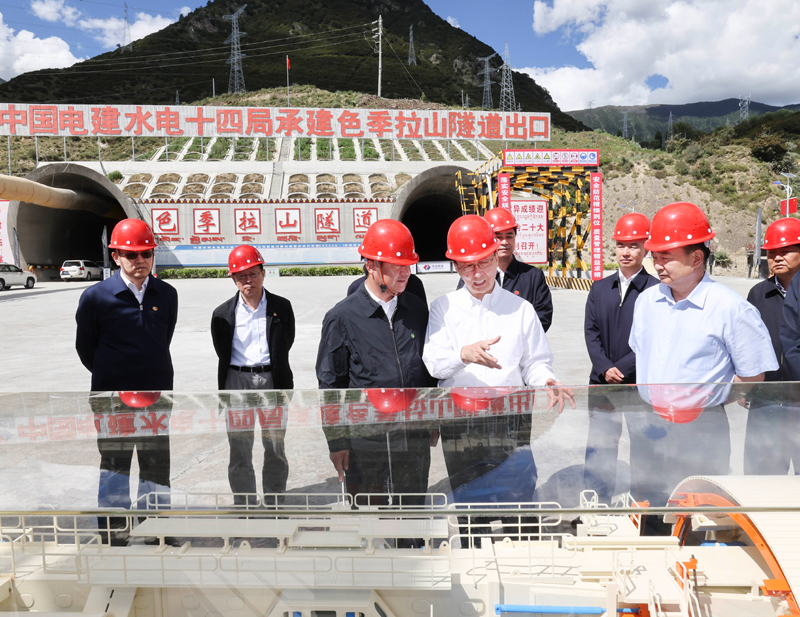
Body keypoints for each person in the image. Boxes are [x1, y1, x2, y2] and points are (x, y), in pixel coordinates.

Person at [628, 202, 777, 528]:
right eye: (655, 256)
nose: (657, 265)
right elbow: (641, 352)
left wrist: (703, 399)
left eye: (666, 256)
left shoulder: (730, 309)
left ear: (696, 258)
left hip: (701, 430)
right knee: (650, 513)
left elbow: (752, 374)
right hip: (649, 425)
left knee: (698, 520)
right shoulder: (647, 302)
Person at [423, 215, 572, 518]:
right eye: (467, 266)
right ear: (456, 267)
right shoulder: (444, 308)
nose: (477, 274)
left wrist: (546, 380)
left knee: (516, 496)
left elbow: (535, 362)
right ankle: (473, 543)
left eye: (484, 262)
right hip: (461, 420)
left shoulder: (521, 309)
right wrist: (463, 354)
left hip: (511, 417)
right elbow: (434, 365)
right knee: (468, 501)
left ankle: (516, 543)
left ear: (495, 256)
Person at [316, 219, 435, 510]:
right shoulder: (342, 318)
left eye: (409, 265)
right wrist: (337, 442)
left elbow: (427, 369)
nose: (406, 272)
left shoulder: (417, 310)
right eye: (397, 265)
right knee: (370, 518)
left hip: (412, 438)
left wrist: (432, 421)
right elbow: (330, 385)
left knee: (413, 513)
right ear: (371, 265)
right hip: (366, 442)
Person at [75, 218, 178, 545]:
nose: (140, 261)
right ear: (116, 256)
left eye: (146, 253)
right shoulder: (96, 297)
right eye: (131, 255)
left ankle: (155, 528)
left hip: (156, 396)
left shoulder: (167, 294)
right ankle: (114, 530)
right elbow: (85, 349)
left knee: (156, 465)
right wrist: (114, 376)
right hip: (112, 400)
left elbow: (164, 339)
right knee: (115, 465)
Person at [211, 244, 295, 506]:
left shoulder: (281, 307)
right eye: (242, 276)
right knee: (239, 448)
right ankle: (244, 502)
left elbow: (286, 342)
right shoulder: (222, 314)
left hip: (272, 380)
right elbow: (221, 349)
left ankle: (275, 499)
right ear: (233, 279)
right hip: (236, 381)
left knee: (275, 446)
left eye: (253, 274)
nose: (248, 280)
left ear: (263, 273)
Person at [583, 212, 658, 502]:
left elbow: (653, 338)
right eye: (621, 245)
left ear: (646, 249)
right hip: (602, 383)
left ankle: (644, 503)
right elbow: (591, 332)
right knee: (600, 443)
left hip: (638, 383)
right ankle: (595, 500)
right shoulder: (599, 288)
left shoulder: (656, 290)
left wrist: (624, 367)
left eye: (634, 246)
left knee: (644, 445)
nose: (626, 252)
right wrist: (604, 367)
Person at [744, 218, 800, 474]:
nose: (777, 257)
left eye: (785, 251)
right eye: (771, 252)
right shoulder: (758, 294)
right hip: (766, 399)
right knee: (763, 476)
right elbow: (746, 343)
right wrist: (746, 385)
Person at [456, 207, 553, 331]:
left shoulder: (533, 276)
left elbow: (543, 316)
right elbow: (462, 311)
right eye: (498, 237)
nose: (504, 242)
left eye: (509, 236)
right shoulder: (473, 276)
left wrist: (514, 338)